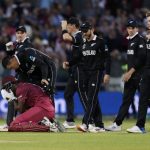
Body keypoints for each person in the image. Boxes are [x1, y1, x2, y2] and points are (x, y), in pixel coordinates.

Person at [64, 21, 110, 133]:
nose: (84, 33)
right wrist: (69, 63)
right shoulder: (84, 44)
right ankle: (99, 125)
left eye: (86, 30)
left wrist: (107, 73)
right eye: (83, 30)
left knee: (91, 98)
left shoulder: (100, 42)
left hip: (97, 73)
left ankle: (86, 123)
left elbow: (108, 58)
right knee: (93, 99)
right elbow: (78, 57)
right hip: (86, 74)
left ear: (92, 29)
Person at [105, 19, 146, 132]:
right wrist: (128, 73)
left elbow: (142, 59)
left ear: (137, 28)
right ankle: (117, 124)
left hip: (140, 76)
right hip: (131, 76)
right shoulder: (130, 41)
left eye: (132, 28)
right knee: (126, 100)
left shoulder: (140, 40)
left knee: (144, 100)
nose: (130, 30)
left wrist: (129, 72)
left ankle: (139, 126)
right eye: (128, 28)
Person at [1, 26, 33, 129]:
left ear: (25, 34)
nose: (19, 34)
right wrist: (10, 50)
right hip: (20, 76)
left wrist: (13, 48)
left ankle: (11, 123)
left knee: (14, 97)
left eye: (21, 33)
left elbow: (17, 59)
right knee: (13, 97)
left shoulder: (27, 44)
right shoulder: (19, 44)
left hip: (25, 77)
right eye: (18, 33)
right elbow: (14, 59)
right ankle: (11, 123)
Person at [126, 12, 150, 133]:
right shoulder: (145, 37)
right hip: (146, 72)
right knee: (143, 98)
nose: (148, 22)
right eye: (147, 21)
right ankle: (140, 126)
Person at [61, 17, 83, 129]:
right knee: (68, 94)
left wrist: (63, 28)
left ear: (73, 26)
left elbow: (65, 37)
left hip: (80, 71)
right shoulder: (76, 36)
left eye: (69, 25)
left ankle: (93, 120)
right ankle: (70, 120)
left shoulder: (79, 35)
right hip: (74, 70)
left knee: (84, 96)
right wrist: (69, 63)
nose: (67, 27)